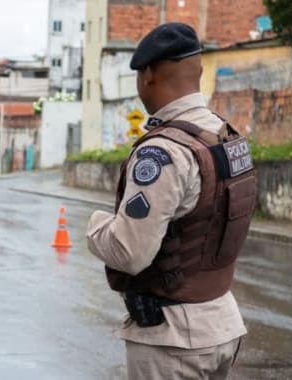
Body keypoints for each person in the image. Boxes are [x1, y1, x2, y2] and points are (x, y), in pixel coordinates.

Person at [86, 23, 257, 379]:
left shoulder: (163, 152)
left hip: (173, 340)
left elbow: (130, 253)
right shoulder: (226, 136)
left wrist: (97, 226)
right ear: (199, 71)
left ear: (147, 75)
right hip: (222, 322)